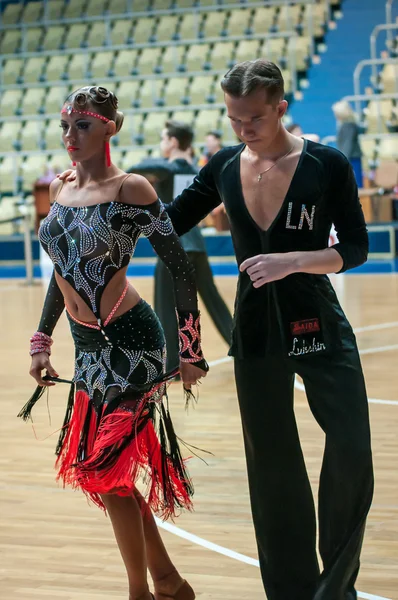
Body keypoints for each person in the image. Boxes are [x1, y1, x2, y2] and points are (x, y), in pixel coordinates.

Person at [162, 61, 374, 599]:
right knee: (271, 459)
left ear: (281, 107)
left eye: (253, 118)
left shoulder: (326, 163)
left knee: (351, 445)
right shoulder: (224, 165)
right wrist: (101, 186)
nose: (242, 129)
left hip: (315, 313)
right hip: (254, 325)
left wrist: (293, 261)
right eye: (234, 119)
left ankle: (337, 588)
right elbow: (166, 222)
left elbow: (355, 248)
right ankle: (290, 589)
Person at [21, 86, 208, 600]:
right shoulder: (59, 190)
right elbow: (63, 274)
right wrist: (42, 340)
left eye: (82, 124)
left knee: (106, 473)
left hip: (133, 346)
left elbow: (181, 269)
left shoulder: (133, 190)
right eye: (66, 125)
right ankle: (168, 582)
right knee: (113, 478)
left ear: (110, 127)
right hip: (88, 352)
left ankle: (139, 592)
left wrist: (189, 350)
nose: (70, 136)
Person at [127, 120, 233, 372]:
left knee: (165, 306)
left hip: (172, 247)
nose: (162, 144)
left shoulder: (170, 168)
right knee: (213, 301)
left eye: (164, 139)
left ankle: (171, 364)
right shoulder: (195, 169)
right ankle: (240, 345)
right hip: (196, 245)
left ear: (173, 142)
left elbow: (136, 167)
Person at [332, 100, 364, 187]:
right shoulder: (348, 125)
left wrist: (343, 159)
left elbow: (348, 145)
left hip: (351, 158)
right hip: (351, 158)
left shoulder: (348, 126)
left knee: (355, 185)